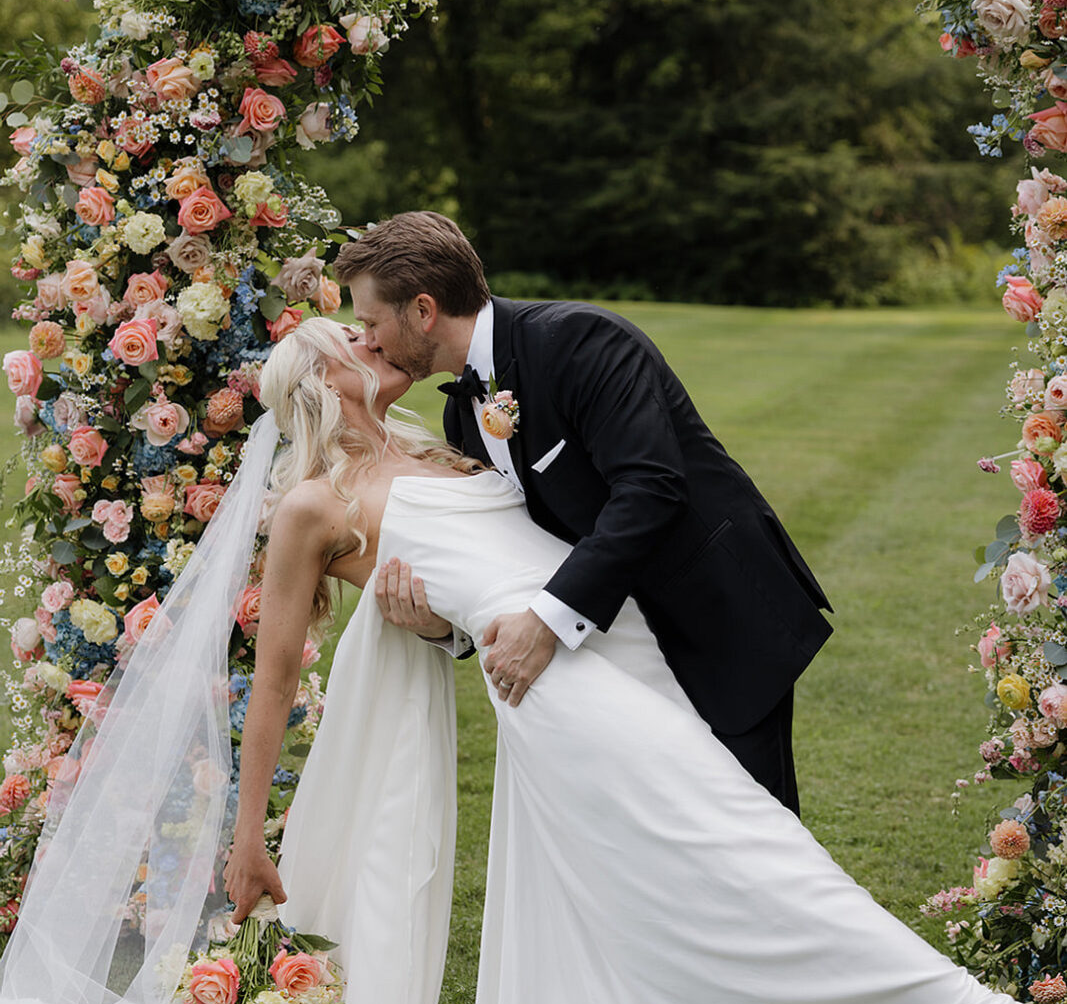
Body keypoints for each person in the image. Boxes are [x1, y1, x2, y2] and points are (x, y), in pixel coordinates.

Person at [2, 317, 1066, 1004]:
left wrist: (442, 622)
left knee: (689, 876)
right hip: (561, 706)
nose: (372, 341)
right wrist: (247, 838)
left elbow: (506, 572)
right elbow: (276, 676)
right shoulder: (310, 507)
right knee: (750, 857)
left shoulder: (451, 445)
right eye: (348, 340)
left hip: (615, 669)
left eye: (371, 327)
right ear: (319, 382)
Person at [334, 212, 831, 818]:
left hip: (718, 611)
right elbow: (508, 549)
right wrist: (445, 629)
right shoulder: (462, 418)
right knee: (669, 833)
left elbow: (651, 488)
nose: (368, 342)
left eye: (370, 322)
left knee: (756, 831)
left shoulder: (581, 341)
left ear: (422, 309)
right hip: (623, 652)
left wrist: (544, 623)